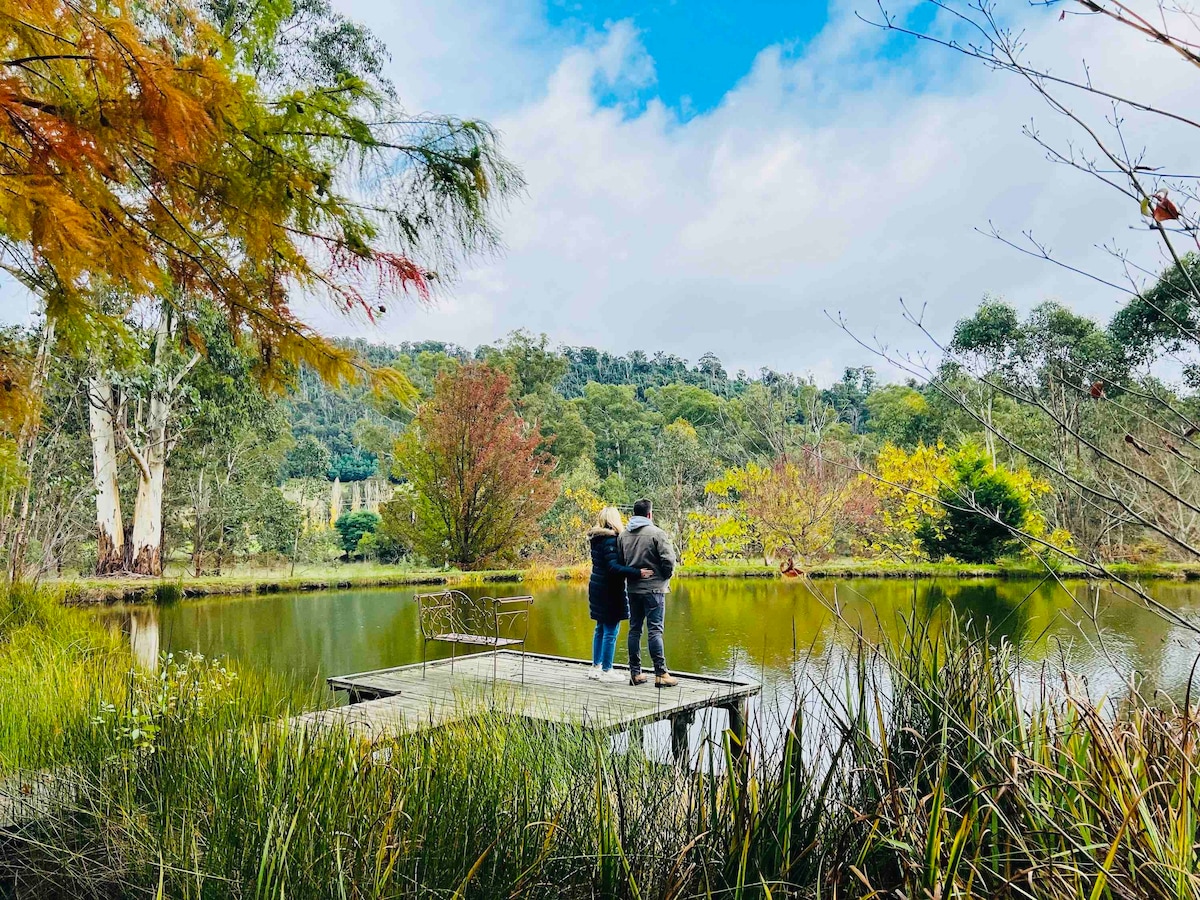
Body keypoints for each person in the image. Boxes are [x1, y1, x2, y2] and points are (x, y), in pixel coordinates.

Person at [617, 498, 679, 687]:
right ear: (650, 514)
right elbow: (669, 560)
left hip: (633, 590)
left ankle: (635, 673)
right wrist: (664, 577)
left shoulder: (623, 536)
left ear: (633, 514)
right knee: (655, 631)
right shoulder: (657, 533)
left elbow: (620, 562)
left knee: (634, 629)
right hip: (654, 589)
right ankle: (660, 673)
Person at [587, 507, 652, 682]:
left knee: (600, 628)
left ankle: (596, 667)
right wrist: (637, 572)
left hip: (597, 585)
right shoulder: (610, 540)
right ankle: (607, 670)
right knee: (610, 630)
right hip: (608, 589)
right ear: (615, 520)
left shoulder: (596, 538)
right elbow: (613, 568)